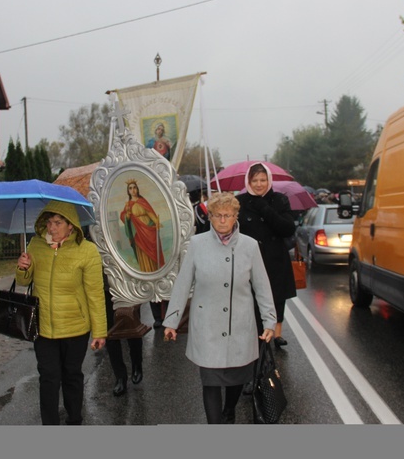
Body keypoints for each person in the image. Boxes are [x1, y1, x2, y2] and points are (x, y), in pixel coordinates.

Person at [163, 192, 276, 424]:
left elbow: (262, 287)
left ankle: (230, 409)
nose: (223, 220)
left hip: (240, 324)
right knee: (211, 380)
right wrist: (171, 322)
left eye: (228, 215)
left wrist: (270, 321)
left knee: (236, 378)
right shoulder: (197, 244)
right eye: (217, 215)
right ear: (210, 217)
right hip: (207, 326)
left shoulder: (250, 246)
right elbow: (183, 283)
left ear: (236, 216)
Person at [15, 200, 107, 425]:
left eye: (57, 222)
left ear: (71, 226)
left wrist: (100, 332)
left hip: (75, 328)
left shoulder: (87, 251)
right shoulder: (35, 245)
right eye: (49, 222)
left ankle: (74, 420)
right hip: (43, 327)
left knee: (72, 376)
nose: (52, 227)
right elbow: (22, 280)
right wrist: (22, 266)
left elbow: (95, 293)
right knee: (48, 378)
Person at [236, 162, 297, 349]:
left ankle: (277, 333)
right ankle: (256, 331)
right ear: (248, 181)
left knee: (277, 297)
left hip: (275, 257)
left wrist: (264, 207)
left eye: (263, 180)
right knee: (252, 297)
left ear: (269, 180)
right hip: (250, 259)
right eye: (255, 180)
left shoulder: (279, 200)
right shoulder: (240, 201)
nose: (259, 184)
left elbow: (287, 228)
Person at [103, 273, 144, 396]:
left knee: (132, 325)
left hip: (128, 281)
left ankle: (137, 363)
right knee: (110, 331)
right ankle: (120, 376)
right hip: (105, 284)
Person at [120, 179, 165, 272]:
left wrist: (156, 222)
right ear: (128, 191)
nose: (133, 190)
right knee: (143, 252)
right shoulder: (128, 204)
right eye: (130, 188)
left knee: (153, 252)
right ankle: (146, 271)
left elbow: (150, 213)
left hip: (148, 228)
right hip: (138, 232)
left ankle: (156, 270)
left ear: (137, 189)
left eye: (134, 188)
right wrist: (127, 215)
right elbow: (123, 216)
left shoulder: (142, 201)